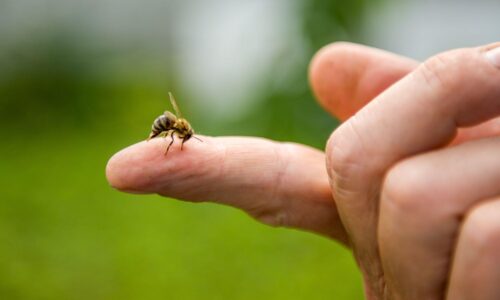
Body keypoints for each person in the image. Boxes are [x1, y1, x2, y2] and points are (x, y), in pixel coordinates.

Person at [106, 42, 500, 299]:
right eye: (181, 135)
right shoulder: (176, 129)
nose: (180, 136)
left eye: (181, 135)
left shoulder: (181, 131)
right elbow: (172, 131)